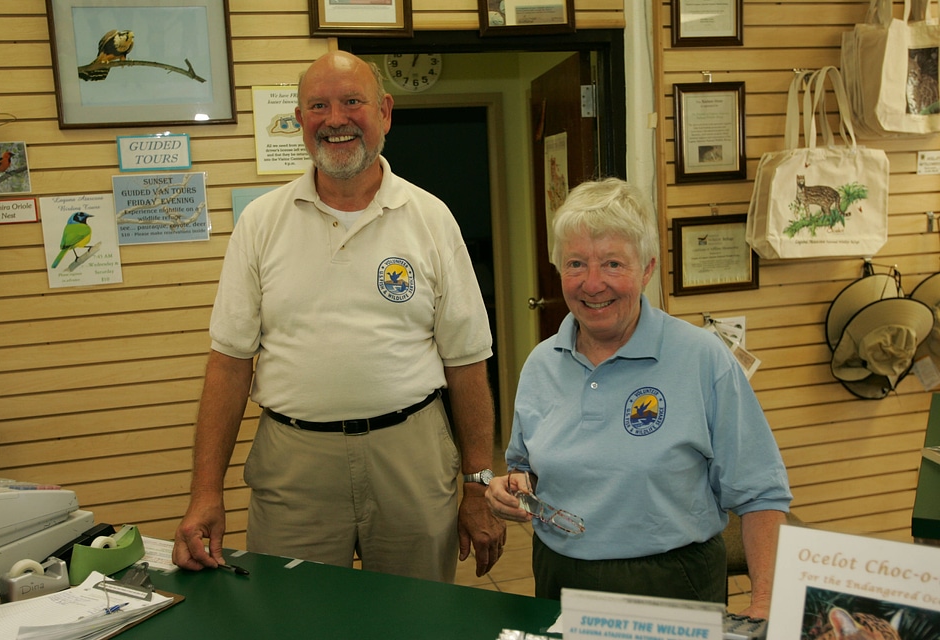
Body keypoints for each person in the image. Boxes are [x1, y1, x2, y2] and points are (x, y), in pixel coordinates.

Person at [172, 50, 505, 583]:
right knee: (294, 616)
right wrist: (205, 493)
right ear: (300, 120)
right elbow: (230, 365)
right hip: (294, 464)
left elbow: (466, 362)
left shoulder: (430, 218)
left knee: (416, 619)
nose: (336, 119)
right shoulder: (261, 223)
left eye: (353, 101)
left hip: (411, 456)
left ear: (386, 112)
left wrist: (478, 481)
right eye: (318, 106)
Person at [485, 178, 792, 618]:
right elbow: (525, 467)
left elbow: (761, 493)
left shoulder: (703, 359)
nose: (593, 284)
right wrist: (509, 487)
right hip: (559, 578)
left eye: (613, 264)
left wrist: (765, 604)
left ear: (647, 269)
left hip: (672, 583)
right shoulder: (540, 364)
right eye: (575, 263)